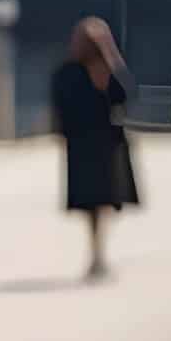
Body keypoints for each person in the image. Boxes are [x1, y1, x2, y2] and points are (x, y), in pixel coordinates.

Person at [51, 18, 139, 280]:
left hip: (100, 144)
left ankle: (97, 253)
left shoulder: (106, 71)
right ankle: (97, 253)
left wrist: (110, 59)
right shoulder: (70, 71)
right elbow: (61, 104)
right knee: (95, 201)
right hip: (89, 144)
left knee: (102, 201)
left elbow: (127, 95)